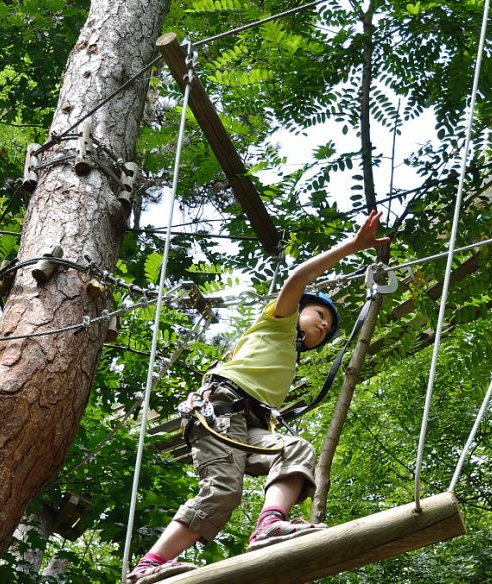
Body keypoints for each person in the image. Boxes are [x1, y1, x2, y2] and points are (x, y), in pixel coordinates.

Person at [125, 211, 390, 584]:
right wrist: (353, 246)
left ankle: (269, 526)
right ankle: (148, 566)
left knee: (295, 449)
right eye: (319, 314)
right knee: (223, 491)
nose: (324, 324)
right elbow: (298, 278)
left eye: (328, 327)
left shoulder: (288, 354)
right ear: (298, 310)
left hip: (245, 422)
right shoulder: (278, 321)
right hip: (219, 411)